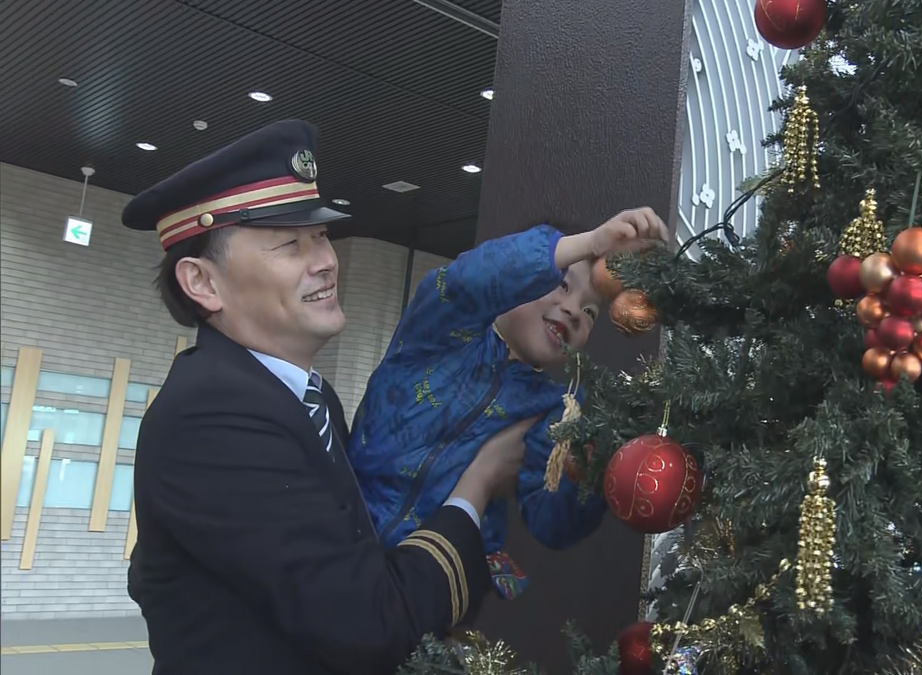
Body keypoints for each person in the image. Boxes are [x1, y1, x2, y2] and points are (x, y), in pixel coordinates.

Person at [122, 119, 530, 674]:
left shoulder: (309, 399)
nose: (326, 261)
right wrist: (475, 488)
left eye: (322, 237)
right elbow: (369, 625)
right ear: (203, 283)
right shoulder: (210, 417)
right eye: (290, 243)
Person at [348, 208, 668, 598]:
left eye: (589, 312)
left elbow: (551, 523)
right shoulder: (444, 328)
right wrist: (590, 243)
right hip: (345, 532)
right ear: (519, 279)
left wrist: (591, 466)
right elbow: (472, 278)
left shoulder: (552, 409)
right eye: (564, 286)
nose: (573, 310)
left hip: (435, 582)